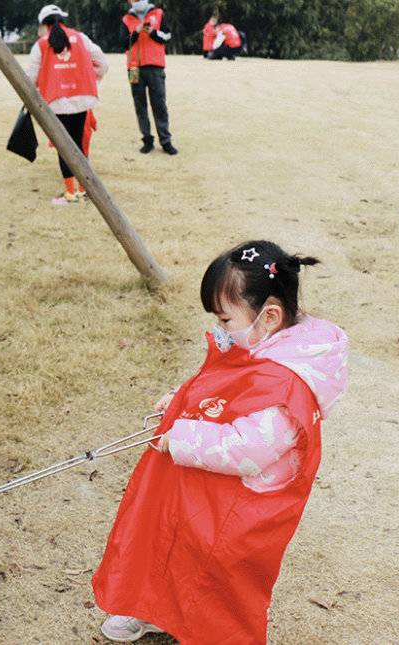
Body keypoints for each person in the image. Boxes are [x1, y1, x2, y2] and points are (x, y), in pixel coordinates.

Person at [92, 240, 349, 643]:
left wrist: (179, 436)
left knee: (211, 575)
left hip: (239, 502)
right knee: (168, 543)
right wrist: (180, 400)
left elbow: (247, 448)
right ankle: (154, 608)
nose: (219, 329)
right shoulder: (259, 345)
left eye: (225, 319)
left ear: (270, 316)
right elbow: (221, 387)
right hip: (205, 487)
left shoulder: (287, 382)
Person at [26, 4, 108, 205]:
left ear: (44, 24)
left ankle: (71, 194)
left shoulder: (41, 44)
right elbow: (103, 63)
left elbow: (30, 78)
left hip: (56, 103)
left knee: (64, 147)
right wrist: (92, 77)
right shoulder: (81, 38)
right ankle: (82, 190)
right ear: (61, 19)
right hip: (81, 100)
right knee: (78, 145)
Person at [121, 0, 177, 155]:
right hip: (133, 68)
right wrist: (137, 31)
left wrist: (152, 31)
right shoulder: (126, 19)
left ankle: (165, 141)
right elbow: (124, 43)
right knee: (140, 105)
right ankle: (147, 140)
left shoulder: (158, 14)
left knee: (159, 104)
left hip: (156, 66)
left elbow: (167, 36)